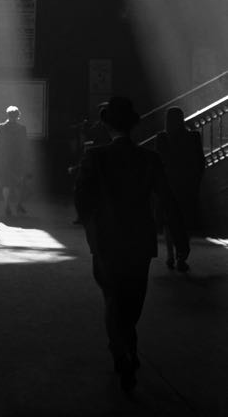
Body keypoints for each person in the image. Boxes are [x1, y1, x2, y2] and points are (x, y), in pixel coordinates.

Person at [74, 96, 189, 394]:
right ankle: (127, 344)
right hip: (139, 238)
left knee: (113, 298)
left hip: (106, 239)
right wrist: (180, 239)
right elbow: (167, 200)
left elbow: (82, 200)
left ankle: (122, 350)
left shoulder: (95, 157)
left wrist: (91, 228)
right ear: (134, 124)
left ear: (105, 124)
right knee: (133, 297)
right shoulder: (149, 159)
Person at [154, 107, 206, 271]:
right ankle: (182, 256)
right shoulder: (193, 136)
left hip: (168, 184)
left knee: (170, 222)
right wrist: (196, 181)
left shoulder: (162, 138)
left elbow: (158, 162)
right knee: (184, 222)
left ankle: (170, 255)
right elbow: (200, 161)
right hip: (187, 185)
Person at [0, 106, 30, 216]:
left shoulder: (0, 127)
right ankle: (17, 205)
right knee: (18, 183)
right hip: (17, 159)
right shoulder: (22, 128)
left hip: (5, 159)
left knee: (6, 184)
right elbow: (24, 145)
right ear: (18, 116)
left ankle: (7, 206)